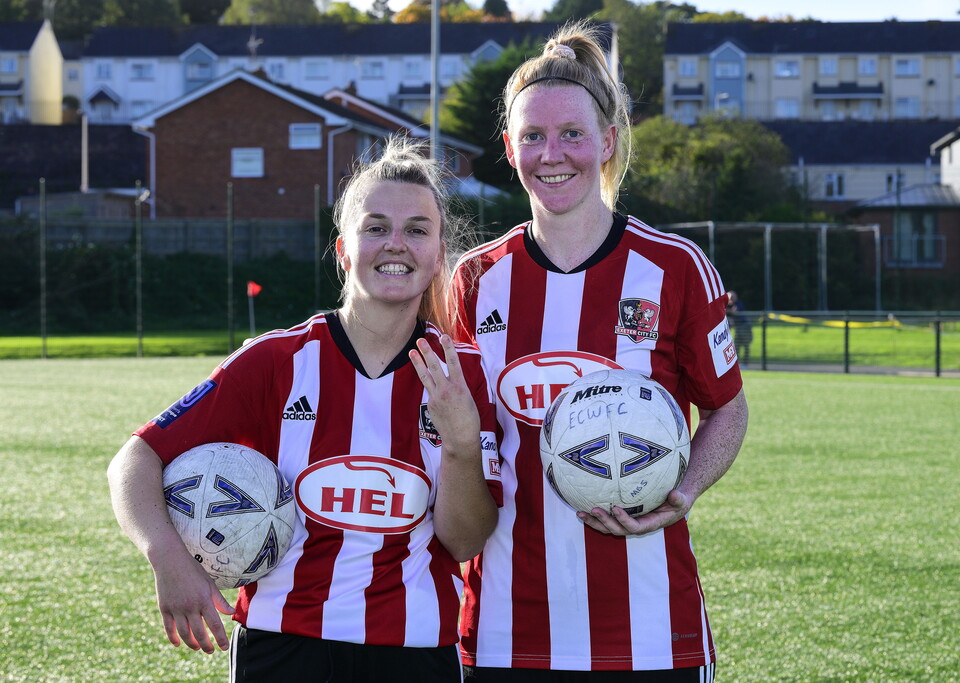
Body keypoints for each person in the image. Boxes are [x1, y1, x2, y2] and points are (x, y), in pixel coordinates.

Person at [107, 136, 501, 682]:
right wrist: (167, 559)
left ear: (438, 255)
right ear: (343, 249)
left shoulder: (466, 375)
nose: (396, 244)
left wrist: (460, 444)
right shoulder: (276, 360)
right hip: (282, 644)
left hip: (414, 649)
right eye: (375, 227)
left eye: (417, 230)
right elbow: (135, 460)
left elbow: (464, 539)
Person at [449, 22, 749, 681]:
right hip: (506, 628)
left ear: (608, 142)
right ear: (509, 146)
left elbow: (728, 409)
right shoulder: (473, 280)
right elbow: (456, 439)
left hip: (650, 630)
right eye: (532, 135)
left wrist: (688, 486)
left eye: (572, 134)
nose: (551, 153)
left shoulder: (673, 268)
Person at [725, 291, 753, 367]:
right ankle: (736, 365)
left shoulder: (738, 304)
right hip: (738, 328)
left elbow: (733, 311)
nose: (730, 300)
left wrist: (729, 311)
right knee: (736, 347)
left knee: (745, 346)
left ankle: (745, 364)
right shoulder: (729, 306)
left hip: (745, 327)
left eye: (731, 298)